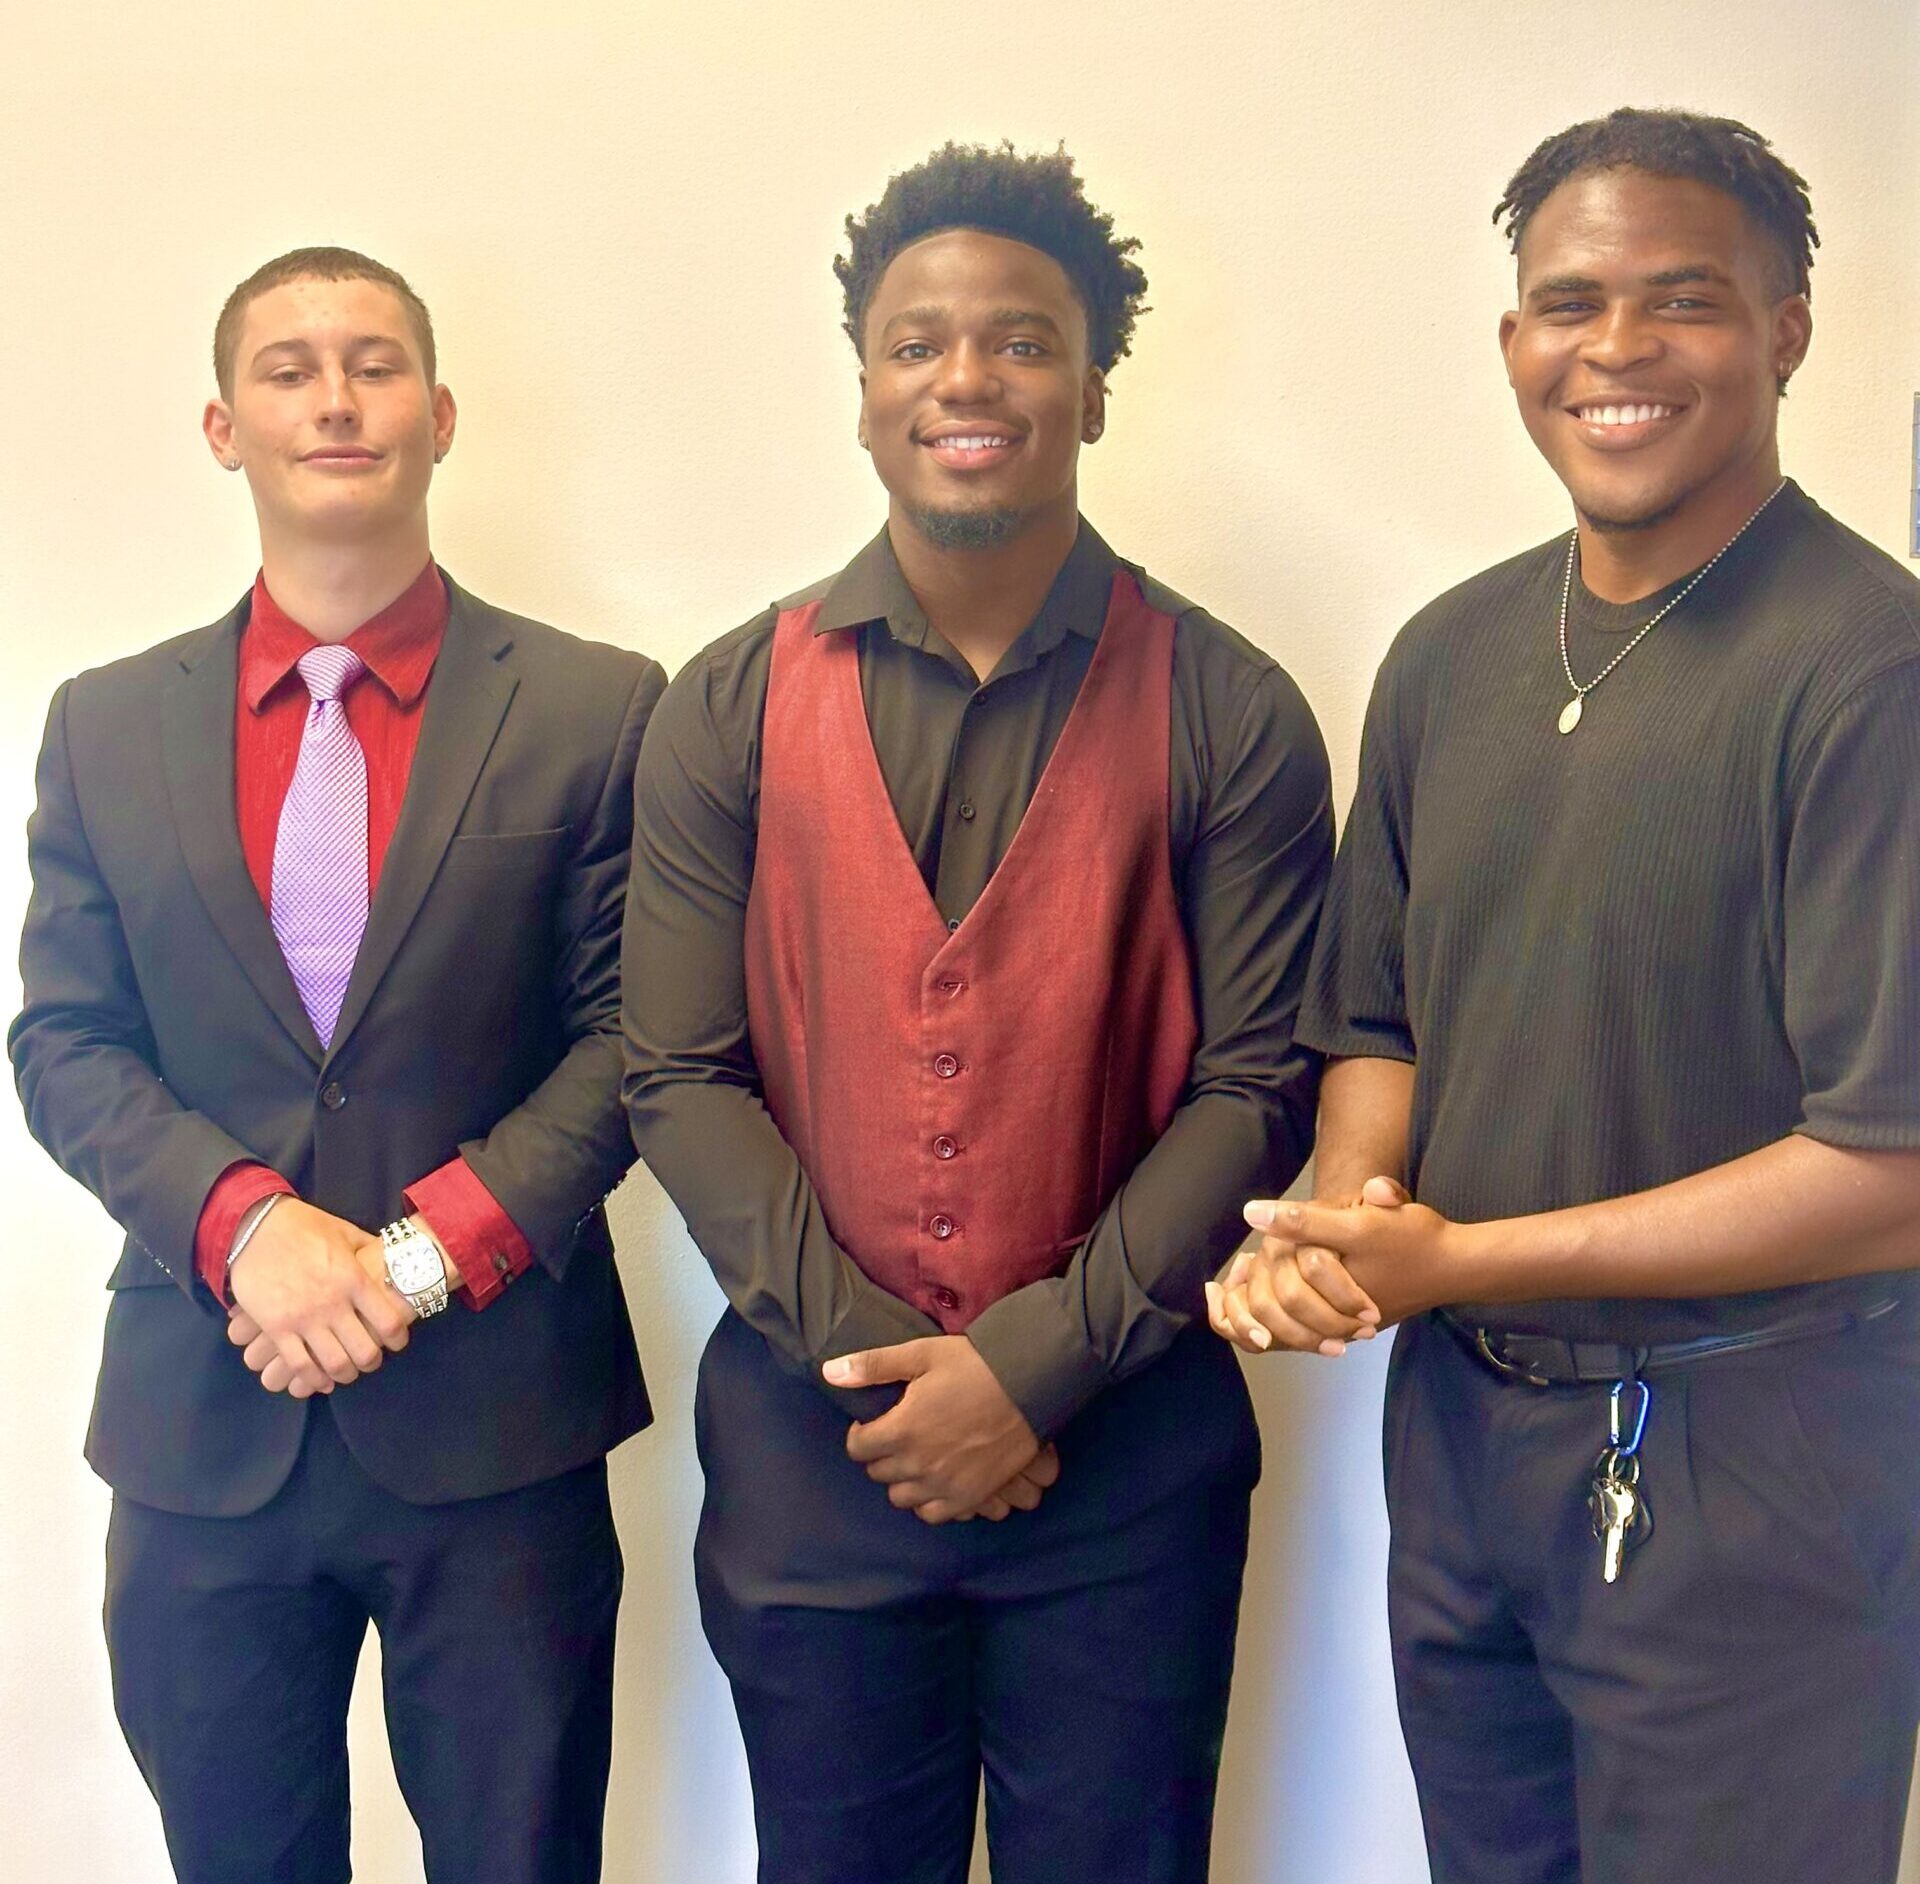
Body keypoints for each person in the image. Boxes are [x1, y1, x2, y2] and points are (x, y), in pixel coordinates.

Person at [1212, 109, 1920, 1884]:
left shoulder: (1870, 672)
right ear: (1514, 339)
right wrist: (1347, 1221)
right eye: (1568, 302)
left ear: (1788, 330)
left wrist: (1458, 1258)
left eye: (1682, 300)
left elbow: (1891, 1164)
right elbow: (1381, 1021)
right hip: (1463, 1450)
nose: (1614, 349)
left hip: (1759, 1463)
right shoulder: (1450, 650)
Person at [622, 142, 1331, 1883]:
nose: (968, 379)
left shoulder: (1230, 706)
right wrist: (889, 1376)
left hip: (1132, 1470)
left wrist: (1030, 1370)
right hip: (812, 1454)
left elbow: (1258, 1084)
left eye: (1020, 341)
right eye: (919, 342)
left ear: (1092, 386)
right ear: (865, 388)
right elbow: (678, 1070)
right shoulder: (727, 703)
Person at [10, 246, 664, 1884]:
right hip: (201, 1426)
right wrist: (249, 1227)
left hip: (499, 1428)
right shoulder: (103, 724)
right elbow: (64, 1038)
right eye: (290, 368)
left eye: (373, 364)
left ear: (437, 416)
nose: (335, 397)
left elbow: (636, 1040)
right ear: (224, 427)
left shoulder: (598, 709)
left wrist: (420, 1259)